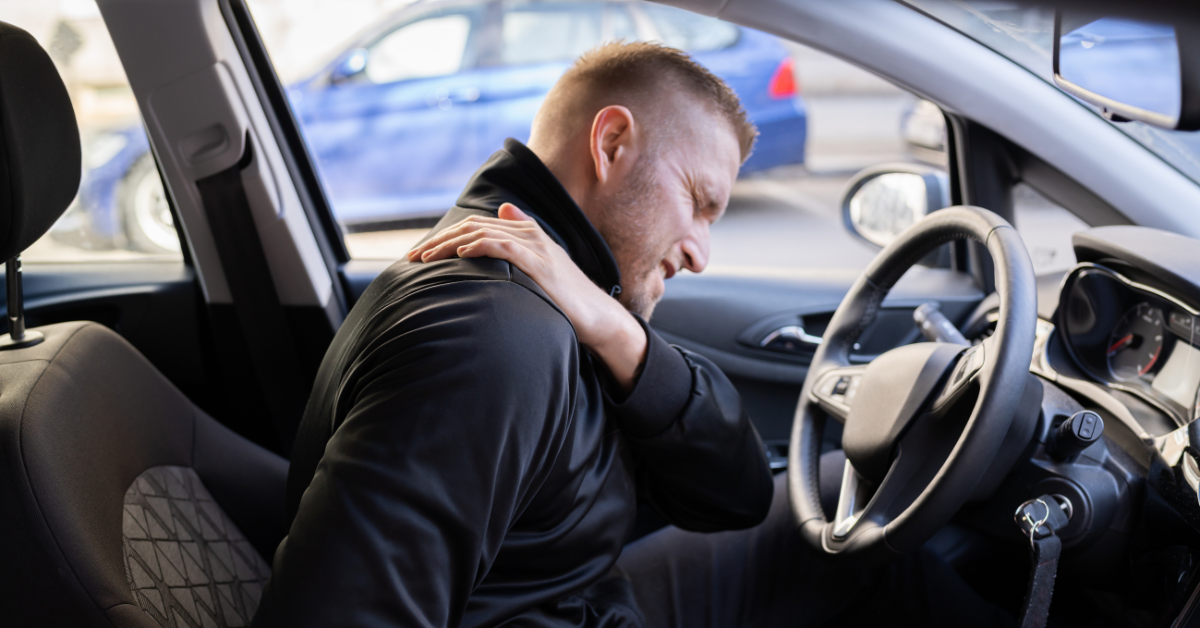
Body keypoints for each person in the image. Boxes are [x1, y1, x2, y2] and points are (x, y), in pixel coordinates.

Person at [254, 41, 792, 627]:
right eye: (696, 201)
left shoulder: (571, 302)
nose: (699, 253)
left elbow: (738, 496)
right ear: (611, 143)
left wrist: (620, 333)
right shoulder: (493, 335)